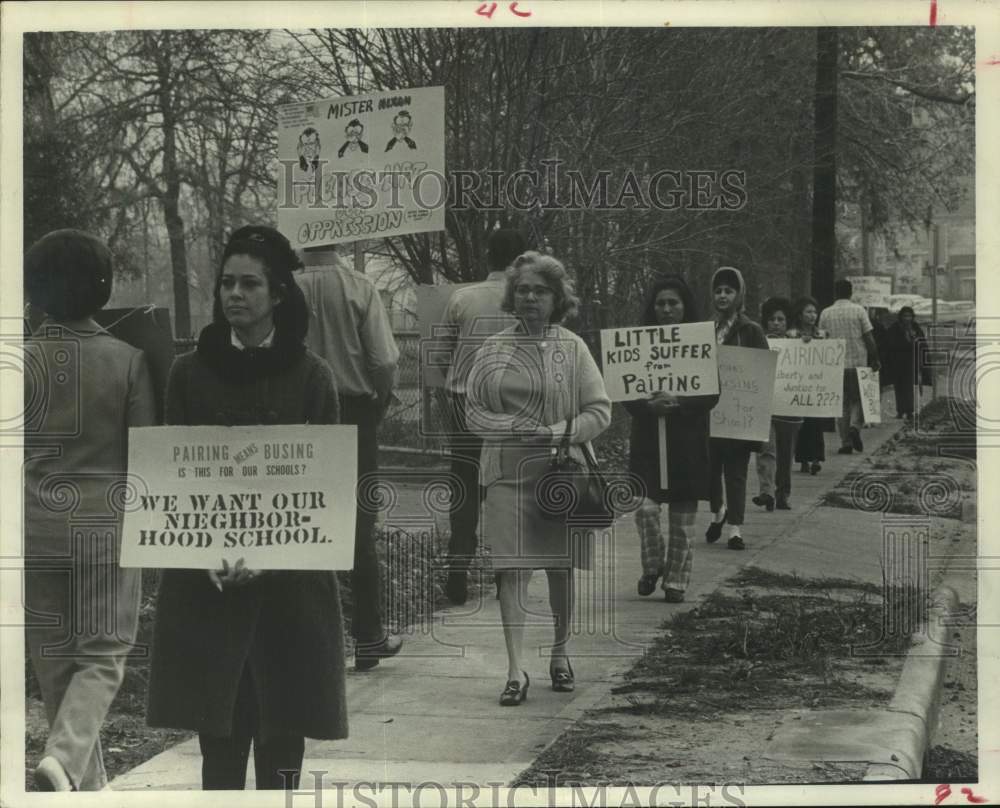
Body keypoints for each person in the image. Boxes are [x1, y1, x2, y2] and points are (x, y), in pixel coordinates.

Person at [146, 226, 348, 790]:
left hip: (291, 593)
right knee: (222, 744)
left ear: (278, 294)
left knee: (283, 743)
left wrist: (274, 558)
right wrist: (202, 553)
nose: (234, 294)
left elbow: (328, 491)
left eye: (249, 284)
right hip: (209, 590)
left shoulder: (313, 377)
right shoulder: (189, 374)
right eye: (226, 283)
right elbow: (174, 481)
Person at [22, 230, 156, 792]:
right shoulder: (128, 362)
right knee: (102, 655)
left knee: (54, 662)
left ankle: (79, 779)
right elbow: (147, 451)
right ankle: (68, 760)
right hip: (106, 526)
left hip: (31, 526)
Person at [465, 252, 611, 705]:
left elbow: (599, 411)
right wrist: (509, 426)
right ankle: (514, 670)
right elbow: (472, 411)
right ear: (513, 295)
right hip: (506, 473)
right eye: (523, 289)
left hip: (559, 474)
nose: (530, 297)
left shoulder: (573, 348)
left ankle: (561, 653)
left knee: (559, 568)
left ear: (556, 298)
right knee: (511, 571)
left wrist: (554, 433)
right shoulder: (492, 349)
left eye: (540, 291)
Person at [296, 251, 403, 670]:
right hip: (352, 410)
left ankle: (311, 641)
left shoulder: (286, 287)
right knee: (359, 525)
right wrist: (377, 403)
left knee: (303, 521)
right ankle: (368, 636)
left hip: (298, 412)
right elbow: (385, 359)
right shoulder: (358, 286)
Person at [439, 228, 525, 605]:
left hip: (464, 405)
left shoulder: (463, 299)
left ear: (487, 258)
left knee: (465, 489)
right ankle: (504, 573)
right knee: (505, 488)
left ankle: (458, 569)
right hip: (511, 406)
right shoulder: (527, 301)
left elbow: (441, 352)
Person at [624, 276, 719, 603]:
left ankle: (677, 580)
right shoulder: (637, 342)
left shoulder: (701, 343)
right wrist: (647, 406)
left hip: (686, 442)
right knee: (644, 508)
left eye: (673, 303)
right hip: (648, 441)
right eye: (660, 303)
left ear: (685, 306)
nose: (666, 310)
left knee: (682, 519)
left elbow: (711, 394)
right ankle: (653, 566)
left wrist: (680, 403)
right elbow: (623, 390)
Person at [705, 266, 769, 551]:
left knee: (736, 472)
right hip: (709, 413)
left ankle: (735, 529)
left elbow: (763, 370)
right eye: (718, 291)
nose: (722, 296)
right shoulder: (707, 329)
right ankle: (719, 510)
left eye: (728, 291)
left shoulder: (751, 331)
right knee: (709, 470)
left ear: (739, 294)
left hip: (740, 414)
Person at [817, 279, 881, 454]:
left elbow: (821, 340)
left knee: (842, 404)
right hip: (858, 363)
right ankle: (855, 427)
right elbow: (869, 338)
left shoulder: (825, 314)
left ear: (835, 293)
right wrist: (874, 358)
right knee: (860, 399)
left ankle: (845, 442)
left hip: (836, 366)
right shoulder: (859, 311)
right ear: (850, 292)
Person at [752, 297, 803, 511]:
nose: (776, 323)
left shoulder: (799, 343)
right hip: (765, 406)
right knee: (766, 450)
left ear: (787, 322)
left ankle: (783, 494)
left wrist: (805, 343)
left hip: (789, 407)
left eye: (780, 319)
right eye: (772, 319)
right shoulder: (758, 341)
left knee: (785, 454)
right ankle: (766, 492)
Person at [788, 296, 828, 475]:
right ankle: (803, 459)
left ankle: (816, 458)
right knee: (801, 424)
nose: (813, 316)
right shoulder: (791, 334)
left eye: (814, 312)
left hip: (816, 384)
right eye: (808, 312)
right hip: (797, 384)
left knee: (816, 423)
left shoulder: (822, 334)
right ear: (800, 314)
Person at [885, 305, 931, 419]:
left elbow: (922, 342)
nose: (907, 318)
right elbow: (890, 344)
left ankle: (909, 410)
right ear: (901, 317)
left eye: (909, 316)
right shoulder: (895, 328)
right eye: (905, 316)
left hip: (911, 361)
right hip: (898, 361)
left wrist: (914, 339)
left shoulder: (915, 327)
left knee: (909, 386)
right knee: (899, 386)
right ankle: (900, 410)